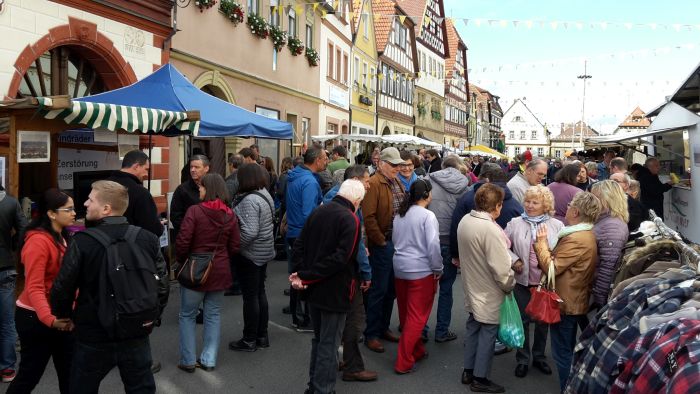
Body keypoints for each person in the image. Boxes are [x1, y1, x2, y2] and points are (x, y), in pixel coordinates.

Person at [50, 180, 169, 393]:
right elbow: (162, 284)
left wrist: (64, 316)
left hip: (92, 331)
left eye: (90, 199)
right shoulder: (148, 239)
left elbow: (62, 287)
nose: (85, 204)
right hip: (136, 328)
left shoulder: (82, 241)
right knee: (141, 388)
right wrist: (150, 315)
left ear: (106, 209)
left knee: (82, 387)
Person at [290, 180, 365, 394]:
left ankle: (314, 386)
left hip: (314, 289)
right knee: (329, 345)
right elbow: (341, 259)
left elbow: (299, 246)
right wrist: (306, 275)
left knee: (319, 340)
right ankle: (322, 389)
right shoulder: (350, 219)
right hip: (335, 290)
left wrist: (302, 275)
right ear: (357, 200)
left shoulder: (318, 212)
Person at [7, 189, 74, 393]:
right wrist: (50, 319)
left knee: (70, 375)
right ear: (51, 213)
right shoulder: (38, 241)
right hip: (35, 318)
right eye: (68, 209)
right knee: (30, 375)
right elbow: (34, 286)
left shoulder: (62, 236)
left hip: (59, 315)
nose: (74, 213)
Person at [533, 192, 600, 391]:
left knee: (563, 353)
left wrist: (541, 244)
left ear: (576, 211)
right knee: (567, 349)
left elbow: (551, 268)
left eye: (570, 204)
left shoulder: (577, 238)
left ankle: (568, 388)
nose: (567, 207)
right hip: (573, 298)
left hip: (567, 303)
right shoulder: (582, 234)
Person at [176, 174, 240, 372]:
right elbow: (235, 246)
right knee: (213, 315)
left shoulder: (195, 211)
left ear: (209, 189)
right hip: (220, 270)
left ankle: (188, 359)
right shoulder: (230, 214)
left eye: (202, 188)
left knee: (187, 314)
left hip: (195, 269)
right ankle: (209, 359)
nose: (200, 191)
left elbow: (183, 241)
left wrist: (183, 260)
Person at [458, 184, 516, 393]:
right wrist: (510, 284)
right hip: (488, 289)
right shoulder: (490, 229)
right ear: (498, 206)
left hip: (471, 284)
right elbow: (501, 269)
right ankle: (480, 378)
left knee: (473, 327)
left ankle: (469, 370)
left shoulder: (466, 220)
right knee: (488, 333)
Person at [322, 165, 377, 382]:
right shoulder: (350, 207)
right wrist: (366, 272)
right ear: (354, 181)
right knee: (354, 319)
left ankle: (338, 362)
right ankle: (352, 367)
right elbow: (356, 245)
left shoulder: (330, 199)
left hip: (329, 272)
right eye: (366, 180)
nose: (368, 184)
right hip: (346, 273)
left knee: (332, 325)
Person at [505, 185, 563, 379]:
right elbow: (502, 247)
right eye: (527, 201)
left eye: (535, 202)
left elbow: (561, 253)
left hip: (544, 283)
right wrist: (515, 260)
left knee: (541, 321)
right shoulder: (514, 223)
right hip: (522, 282)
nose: (529, 205)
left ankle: (539, 357)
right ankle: (522, 359)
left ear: (545, 204)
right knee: (522, 321)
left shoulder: (556, 226)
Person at [392, 179, 443, 374]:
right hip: (421, 270)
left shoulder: (400, 215)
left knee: (406, 313)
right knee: (417, 316)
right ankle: (403, 360)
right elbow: (433, 246)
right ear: (426, 195)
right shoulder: (428, 216)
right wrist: (438, 268)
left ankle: (417, 350)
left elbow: (396, 239)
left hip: (400, 267)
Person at [362, 147, 405, 353]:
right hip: (383, 244)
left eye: (399, 164)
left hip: (395, 243)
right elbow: (368, 218)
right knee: (378, 290)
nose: (398, 168)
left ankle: (383, 327)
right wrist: (380, 241)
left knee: (391, 290)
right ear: (381, 164)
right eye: (394, 165)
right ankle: (371, 334)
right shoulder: (374, 183)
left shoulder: (395, 181)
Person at [228, 164, 275, 352]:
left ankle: (249, 339)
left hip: (251, 254)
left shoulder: (249, 200)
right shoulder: (265, 193)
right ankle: (262, 336)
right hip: (263, 251)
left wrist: (235, 247)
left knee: (250, 297)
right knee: (259, 293)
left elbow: (249, 232)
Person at [424, 156, 469, 343]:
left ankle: (421, 329)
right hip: (451, 240)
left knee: (426, 288)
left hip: (430, 238)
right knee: (446, 287)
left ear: (443, 166)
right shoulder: (465, 186)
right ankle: (442, 330)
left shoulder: (428, 180)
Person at [286, 145, 328, 332]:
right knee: (303, 278)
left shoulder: (295, 176)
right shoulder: (309, 182)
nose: (327, 161)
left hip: (294, 233)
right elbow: (308, 215)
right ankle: (303, 319)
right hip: (303, 235)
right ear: (317, 160)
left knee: (296, 275)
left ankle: (297, 316)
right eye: (325, 158)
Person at [0, 185, 27, 383]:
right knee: (7, 322)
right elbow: (24, 228)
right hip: (5, 265)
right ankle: (7, 368)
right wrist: (13, 245)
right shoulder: (10, 202)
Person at [589, 181, 629, 309]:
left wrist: (599, 298)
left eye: (594, 197)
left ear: (605, 199)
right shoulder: (606, 220)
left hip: (599, 292)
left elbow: (608, 267)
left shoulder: (612, 226)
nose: (591, 201)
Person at [107, 150, 163, 238]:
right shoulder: (141, 192)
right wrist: (160, 226)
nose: (146, 174)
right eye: (146, 169)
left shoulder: (103, 185)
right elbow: (152, 230)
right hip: (130, 247)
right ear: (136, 166)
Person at [171, 155, 210, 239]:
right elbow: (175, 217)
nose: (192, 170)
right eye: (191, 167)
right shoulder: (182, 190)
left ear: (206, 168)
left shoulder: (213, 187)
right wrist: (188, 232)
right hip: (190, 238)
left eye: (196, 167)